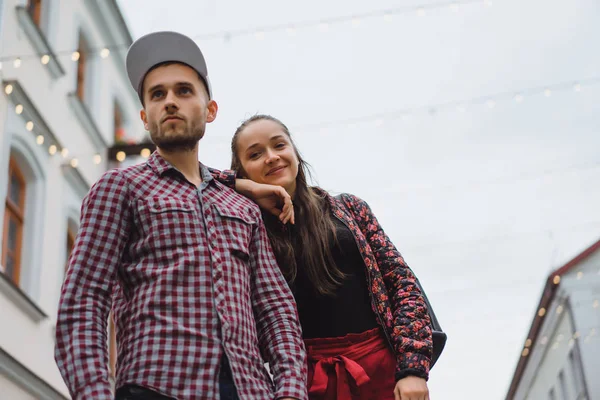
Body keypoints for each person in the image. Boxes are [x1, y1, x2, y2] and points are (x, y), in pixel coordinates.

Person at [54, 32, 306, 400]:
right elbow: (83, 301)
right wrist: (94, 395)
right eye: (158, 94)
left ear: (210, 110)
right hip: (155, 388)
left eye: (184, 91)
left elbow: (276, 310)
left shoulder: (242, 207)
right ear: (144, 116)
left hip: (249, 391)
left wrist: (290, 393)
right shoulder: (120, 188)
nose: (170, 101)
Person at [227, 114, 433, 400]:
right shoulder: (244, 232)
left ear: (295, 152)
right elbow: (195, 184)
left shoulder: (350, 208)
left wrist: (412, 368)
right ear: (241, 171)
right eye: (255, 154)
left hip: (385, 373)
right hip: (303, 384)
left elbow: (402, 284)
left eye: (279, 145)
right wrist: (241, 188)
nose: (272, 157)